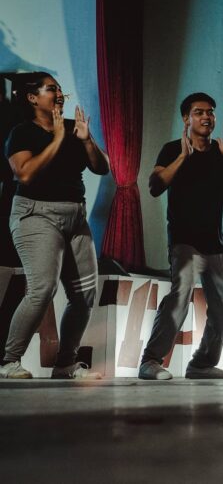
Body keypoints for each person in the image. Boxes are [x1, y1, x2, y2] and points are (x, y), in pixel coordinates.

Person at [138, 92, 223, 381]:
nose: (206, 117)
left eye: (211, 112)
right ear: (186, 118)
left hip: (215, 241)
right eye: (199, 112)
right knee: (180, 296)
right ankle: (150, 362)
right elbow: (155, 186)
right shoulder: (171, 149)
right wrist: (182, 157)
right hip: (183, 239)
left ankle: (202, 363)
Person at [0, 72, 109, 379]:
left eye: (60, 89)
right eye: (51, 89)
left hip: (76, 217)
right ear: (33, 98)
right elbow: (25, 174)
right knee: (43, 287)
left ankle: (66, 363)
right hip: (35, 214)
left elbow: (103, 167)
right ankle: (9, 361)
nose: (59, 94)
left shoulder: (76, 129)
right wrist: (58, 139)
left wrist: (86, 141)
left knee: (84, 295)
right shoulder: (21, 133)